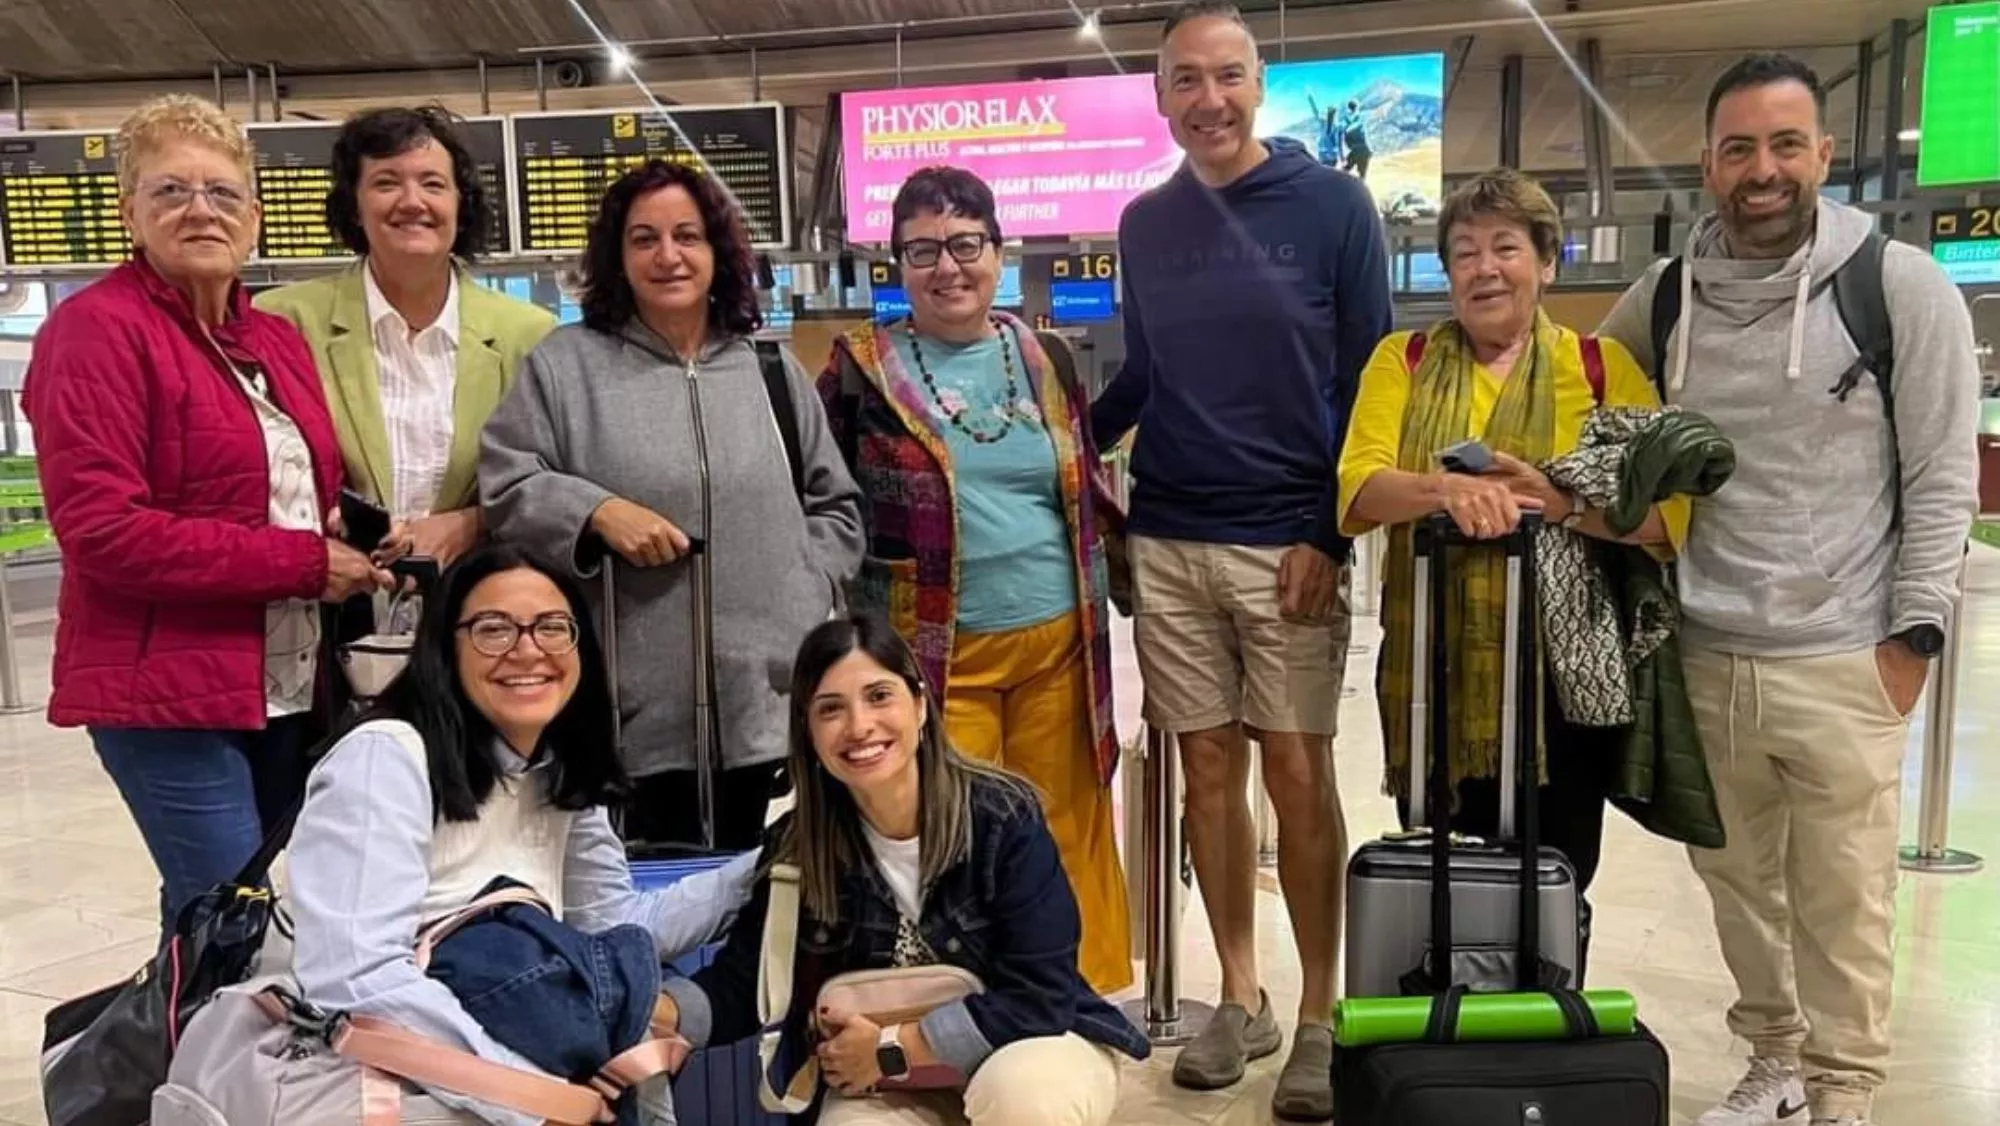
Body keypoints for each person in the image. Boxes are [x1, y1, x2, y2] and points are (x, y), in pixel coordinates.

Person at [1596, 54, 1980, 1126]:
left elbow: (1942, 473)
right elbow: (1588, 403)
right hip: (1706, 647)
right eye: (1736, 148)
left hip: (1843, 651)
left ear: (1820, 156)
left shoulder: (1897, 285)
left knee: (1843, 898)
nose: (1758, 169)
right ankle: (1772, 1061)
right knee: (1732, 886)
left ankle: (1843, 1090)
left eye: (1781, 145)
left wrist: (1910, 639)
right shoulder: (1663, 296)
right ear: (1705, 164)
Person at [1089, 2, 1392, 1117]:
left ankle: (1318, 1013)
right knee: (1205, 777)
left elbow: (1370, 380)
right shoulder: (1144, 221)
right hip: (1168, 534)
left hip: (1286, 543)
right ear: (1159, 96)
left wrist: (1328, 529)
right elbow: (1144, 375)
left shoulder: (1332, 206)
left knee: (1298, 773)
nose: (1207, 99)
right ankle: (1238, 992)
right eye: (1184, 80)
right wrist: (1050, 431)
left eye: (1227, 76)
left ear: (1257, 84)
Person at [21, 94, 391, 935]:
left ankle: (174, 1061)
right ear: (129, 213)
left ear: (255, 217)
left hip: (284, 688)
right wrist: (302, 564)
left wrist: (343, 527)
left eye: (223, 193)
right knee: (238, 926)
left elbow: (283, 487)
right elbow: (104, 531)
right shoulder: (94, 334)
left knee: (206, 920)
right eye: (171, 192)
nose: (201, 211)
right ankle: (203, 1065)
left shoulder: (272, 340)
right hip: (165, 696)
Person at [281, 544, 755, 1126]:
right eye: (493, 629)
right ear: (443, 648)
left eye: (553, 628)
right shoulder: (388, 756)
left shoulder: (560, 770)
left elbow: (615, 923)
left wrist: (769, 864)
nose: (527, 650)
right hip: (392, 1083)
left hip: (523, 1077)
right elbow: (353, 978)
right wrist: (526, 1093)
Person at [481, 159, 864, 852]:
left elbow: (836, 507)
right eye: (644, 239)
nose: (668, 256)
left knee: (752, 907)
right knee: (634, 911)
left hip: (765, 712)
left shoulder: (770, 372)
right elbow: (506, 485)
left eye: (688, 236)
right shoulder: (565, 368)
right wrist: (595, 512)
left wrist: (802, 586)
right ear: (616, 258)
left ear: (718, 252)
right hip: (624, 719)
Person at [817, 166, 1132, 996]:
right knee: (947, 833)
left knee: (1066, 826)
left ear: (999, 252)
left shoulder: (1047, 353)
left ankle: (1075, 1000)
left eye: (965, 245)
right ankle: (959, 1011)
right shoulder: (858, 369)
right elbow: (821, 499)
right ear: (897, 264)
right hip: (929, 653)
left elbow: (1084, 479)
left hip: (1061, 641)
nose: (947, 267)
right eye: (923, 250)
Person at [1338, 167, 1689, 899]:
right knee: (1444, 882)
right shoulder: (1401, 362)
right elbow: (1360, 488)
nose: (1485, 268)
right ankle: (1449, 1010)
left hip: (1563, 677)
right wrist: (1447, 489)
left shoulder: (1598, 369)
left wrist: (1559, 504)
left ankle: (1542, 1009)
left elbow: (1669, 516)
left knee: (1556, 876)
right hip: (1433, 670)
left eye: (1506, 247)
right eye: (1464, 252)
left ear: (1548, 261)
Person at [653, 615, 1149, 1126]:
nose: (859, 726)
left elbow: (1040, 996)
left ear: (919, 704)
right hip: (883, 1082)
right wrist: (651, 1013)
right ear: (808, 731)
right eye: (830, 709)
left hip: (1027, 1046)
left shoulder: (1002, 818)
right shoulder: (796, 848)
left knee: (1023, 1095)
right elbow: (742, 985)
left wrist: (895, 1047)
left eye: (879, 696)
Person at [258, 106, 556, 573]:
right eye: (386, 182)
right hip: (324, 610)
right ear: (353, 207)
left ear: (462, 204)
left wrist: (473, 522)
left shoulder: (530, 336)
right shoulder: (282, 323)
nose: (412, 201)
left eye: (433, 184)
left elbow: (557, 482)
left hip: (473, 611)